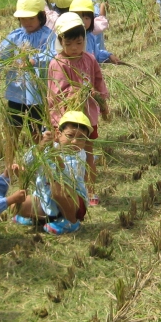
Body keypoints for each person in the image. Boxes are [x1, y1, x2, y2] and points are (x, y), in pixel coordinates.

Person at [48, 12, 110, 206]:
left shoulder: (90, 59)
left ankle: (90, 191)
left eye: (79, 43)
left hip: (88, 117)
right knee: (65, 157)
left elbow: (99, 82)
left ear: (85, 39)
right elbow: (57, 92)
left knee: (88, 154)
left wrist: (102, 102)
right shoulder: (57, 63)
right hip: (66, 120)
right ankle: (66, 191)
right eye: (69, 44)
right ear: (60, 41)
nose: (74, 49)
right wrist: (79, 92)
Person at [0, 0, 54, 143]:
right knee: (12, 130)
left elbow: (54, 55)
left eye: (31, 18)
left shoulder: (49, 36)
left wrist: (36, 59)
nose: (26, 22)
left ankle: (40, 161)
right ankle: (10, 162)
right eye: (23, 18)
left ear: (42, 16)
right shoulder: (15, 36)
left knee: (37, 132)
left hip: (37, 95)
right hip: (16, 92)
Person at [15, 111, 91, 234]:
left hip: (72, 201)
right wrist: (42, 145)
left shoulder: (79, 156)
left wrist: (52, 152)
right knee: (17, 205)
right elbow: (27, 161)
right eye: (70, 136)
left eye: (81, 138)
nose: (75, 142)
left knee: (57, 188)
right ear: (58, 134)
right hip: (45, 200)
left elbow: (64, 174)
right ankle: (43, 218)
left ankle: (71, 222)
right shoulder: (48, 147)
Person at [70, 0, 119, 64]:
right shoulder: (69, 38)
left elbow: (97, 54)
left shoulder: (90, 36)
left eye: (87, 18)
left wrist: (109, 56)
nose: (83, 21)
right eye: (79, 17)